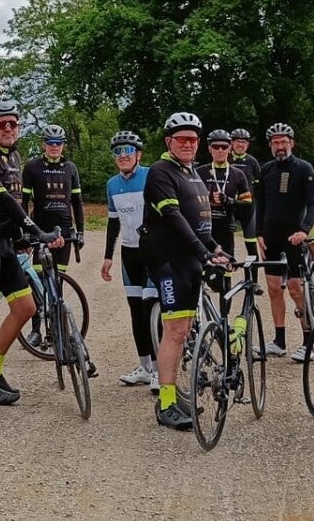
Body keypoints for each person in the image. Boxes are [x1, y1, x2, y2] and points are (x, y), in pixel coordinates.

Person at [0, 100, 63, 405]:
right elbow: (3, 198)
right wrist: (34, 229)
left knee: (26, 307)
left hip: (3, 242)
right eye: (2, 124)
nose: (8, 129)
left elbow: (19, 201)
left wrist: (23, 235)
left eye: (13, 124)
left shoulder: (14, 156)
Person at [141, 112, 229, 430]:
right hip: (167, 260)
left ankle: (173, 395)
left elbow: (199, 222)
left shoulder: (191, 172)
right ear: (169, 141)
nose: (188, 144)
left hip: (189, 258)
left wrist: (215, 248)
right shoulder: (160, 172)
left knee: (185, 328)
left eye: (193, 139)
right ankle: (165, 404)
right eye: (181, 139)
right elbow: (175, 218)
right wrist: (202, 251)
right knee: (176, 330)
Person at [249, 122, 314, 362]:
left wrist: (304, 230)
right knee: (273, 289)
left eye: (284, 142)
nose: (280, 146)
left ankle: (308, 342)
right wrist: (259, 233)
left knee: (296, 288)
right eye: (275, 143)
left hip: (294, 238)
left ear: (292, 143)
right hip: (271, 238)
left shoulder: (304, 168)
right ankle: (279, 342)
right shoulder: (266, 170)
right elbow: (260, 203)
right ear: (270, 145)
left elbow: (313, 203)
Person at [100, 130, 157, 389]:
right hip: (129, 253)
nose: (123, 155)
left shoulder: (151, 176)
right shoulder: (112, 184)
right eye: (118, 151)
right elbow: (113, 223)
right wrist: (107, 257)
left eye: (128, 151)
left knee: (151, 310)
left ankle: (159, 370)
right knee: (136, 312)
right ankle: (144, 367)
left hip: (152, 252)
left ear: (138, 155)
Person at [23, 124, 87, 263]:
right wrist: (26, 231)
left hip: (64, 229)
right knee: (40, 273)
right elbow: (24, 202)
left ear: (63, 145)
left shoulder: (71, 168)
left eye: (58, 142)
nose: (54, 146)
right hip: (41, 229)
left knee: (60, 275)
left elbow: (77, 202)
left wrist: (81, 231)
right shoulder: (32, 167)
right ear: (43, 144)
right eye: (50, 142)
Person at [198, 130, 253, 258]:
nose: (220, 150)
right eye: (215, 147)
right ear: (209, 149)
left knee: (227, 264)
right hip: (204, 227)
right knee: (205, 266)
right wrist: (206, 198)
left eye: (224, 147)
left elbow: (247, 204)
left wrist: (228, 200)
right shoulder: (200, 172)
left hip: (226, 227)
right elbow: (189, 199)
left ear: (229, 148)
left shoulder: (238, 174)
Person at [228, 128, 260, 246]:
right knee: (226, 240)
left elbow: (259, 185)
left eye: (244, 142)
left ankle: (253, 258)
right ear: (231, 143)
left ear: (248, 145)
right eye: (238, 141)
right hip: (228, 205)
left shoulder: (252, 161)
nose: (241, 145)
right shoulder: (226, 158)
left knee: (251, 240)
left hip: (248, 207)